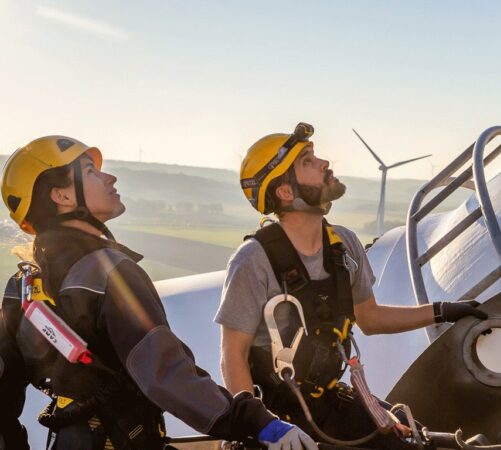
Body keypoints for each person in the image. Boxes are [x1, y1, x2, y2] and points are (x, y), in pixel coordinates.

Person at [0, 136, 317, 449]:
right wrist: (255, 421)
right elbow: (166, 374)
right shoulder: (112, 274)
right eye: (90, 171)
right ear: (62, 196)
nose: (110, 177)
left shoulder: (22, 288)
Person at [216, 123, 487, 449]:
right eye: (307, 161)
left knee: (415, 442)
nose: (324, 163)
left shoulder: (342, 245)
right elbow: (233, 355)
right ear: (285, 192)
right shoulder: (252, 261)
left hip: (329, 404)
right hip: (280, 418)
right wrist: (261, 427)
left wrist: (442, 311)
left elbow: (370, 318)